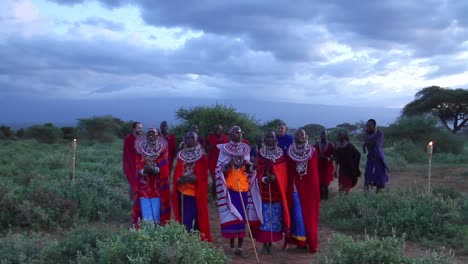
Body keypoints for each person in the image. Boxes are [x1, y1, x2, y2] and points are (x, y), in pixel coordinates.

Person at [215, 125, 262, 258]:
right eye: (237, 132)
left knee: (242, 218)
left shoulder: (244, 149)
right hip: (231, 188)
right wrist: (228, 164)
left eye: (241, 132)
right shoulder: (224, 150)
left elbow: (248, 168)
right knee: (232, 217)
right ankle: (231, 247)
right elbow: (220, 169)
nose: (240, 134)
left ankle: (240, 247)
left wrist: (253, 166)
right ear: (230, 135)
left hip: (243, 187)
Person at [285, 129, 320, 253]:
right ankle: (300, 242)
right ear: (294, 136)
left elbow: (314, 172)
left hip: (309, 187)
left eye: (302, 134)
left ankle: (308, 241)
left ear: (306, 137)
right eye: (298, 134)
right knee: (297, 214)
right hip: (295, 186)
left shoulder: (312, 151)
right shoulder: (289, 151)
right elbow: (288, 170)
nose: (300, 136)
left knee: (308, 214)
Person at [255, 131, 290, 254]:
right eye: (268, 137)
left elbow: (283, 171)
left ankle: (271, 242)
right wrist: (264, 178)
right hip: (264, 191)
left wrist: (276, 177)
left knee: (275, 218)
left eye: (272, 137)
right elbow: (257, 169)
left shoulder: (281, 154)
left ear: (276, 139)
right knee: (265, 218)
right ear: (264, 139)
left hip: (276, 191)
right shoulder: (260, 154)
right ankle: (265, 243)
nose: (270, 139)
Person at [172, 131, 211, 241]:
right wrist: (180, 179)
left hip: (195, 192)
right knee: (184, 217)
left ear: (196, 140)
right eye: (187, 138)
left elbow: (203, 176)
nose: (189, 140)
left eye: (192, 138)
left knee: (193, 218)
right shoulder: (181, 154)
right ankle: (185, 239)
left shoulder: (202, 155)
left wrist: (192, 178)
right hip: (182, 191)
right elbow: (177, 172)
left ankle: (192, 240)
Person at [133, 128, 171, 226]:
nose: (151, 135)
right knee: (146, 214)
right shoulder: (140, 149)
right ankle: (146, 235)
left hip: (158, 187)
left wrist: (154, 169)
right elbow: (137, 167)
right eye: (149, 133)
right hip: (144, 188)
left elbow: (165, 167)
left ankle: (156, 234)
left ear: (158, 135)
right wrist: (144, 170)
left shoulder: (163, 149)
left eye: (153, 133)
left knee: (157, 214)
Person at [363, 119, 389, 192]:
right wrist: (367, 137)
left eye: (369, 126)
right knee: (367, 176)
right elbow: (368, 144)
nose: (368, 127)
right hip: (371, 158)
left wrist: (367, 139)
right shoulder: (367, 134)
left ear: (374, 125)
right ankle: (365, 195)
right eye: (367, 126)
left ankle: (379, 195)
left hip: (379, 158)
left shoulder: (380, 133)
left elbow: (375, 144)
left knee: (380, 177)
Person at [205, 124, 229, 200]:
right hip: (212, 162)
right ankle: (214, 197)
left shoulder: (226, 138)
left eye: (219, 129)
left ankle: (222, 196)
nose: (217, 130)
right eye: (216, 129)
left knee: (223, 180)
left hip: (223, 163)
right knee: (215, 180)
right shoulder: (209, 138)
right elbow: (206, 149)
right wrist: (210, 147)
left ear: (222, 129)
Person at [123, 121, 143, 200]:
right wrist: (126, 167)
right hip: (131, 166)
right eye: (139, 128)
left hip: (141, 166)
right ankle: (133, 204)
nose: (141, 129)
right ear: (134, 129)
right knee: (132, 184)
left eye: (141, 128)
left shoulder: (141, 139)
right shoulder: (128, 139)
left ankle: (139, 204)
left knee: (141, 185)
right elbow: (125, 154)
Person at [313, 130, 335, 200]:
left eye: (324, 134)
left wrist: (329, 158)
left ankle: (325, 200)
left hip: (327, 167)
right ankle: (320, 199)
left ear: (327, 135)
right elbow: (312, 154)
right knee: (319, 184)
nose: (323, 136)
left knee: (325, 184)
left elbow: (334, 155)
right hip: (318, 167)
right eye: (322, 134)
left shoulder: (331, 145)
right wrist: (318, 157)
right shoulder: (316, 144)